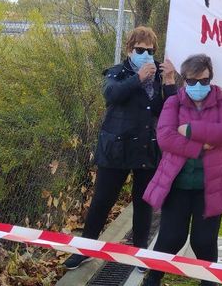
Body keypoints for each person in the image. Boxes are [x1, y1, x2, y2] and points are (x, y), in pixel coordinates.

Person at [63, 26, 176, 270]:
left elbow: (169, 110)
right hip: (116, 147)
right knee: (102, 200)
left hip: (146, 147)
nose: (146, 55)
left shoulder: (159, 75)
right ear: (129, 49)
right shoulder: (117, 72)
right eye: (140, 50)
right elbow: (111, 94)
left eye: (150, 51)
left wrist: (169, 83)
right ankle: (86, 249)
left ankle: (139, 252)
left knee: (143, 202)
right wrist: (138, 78)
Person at [142, 54, 222, 286]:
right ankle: (152, 278)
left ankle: (209, 281)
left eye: (204, 81)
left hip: (212, 185)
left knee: (204, 241)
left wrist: (189, 130)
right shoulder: (173, 102)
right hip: (178, 184)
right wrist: (200, 146)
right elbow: (165, 137)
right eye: (192, 81)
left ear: (210, 78)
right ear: (184, 80)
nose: (198, 86)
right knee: (170, 238)